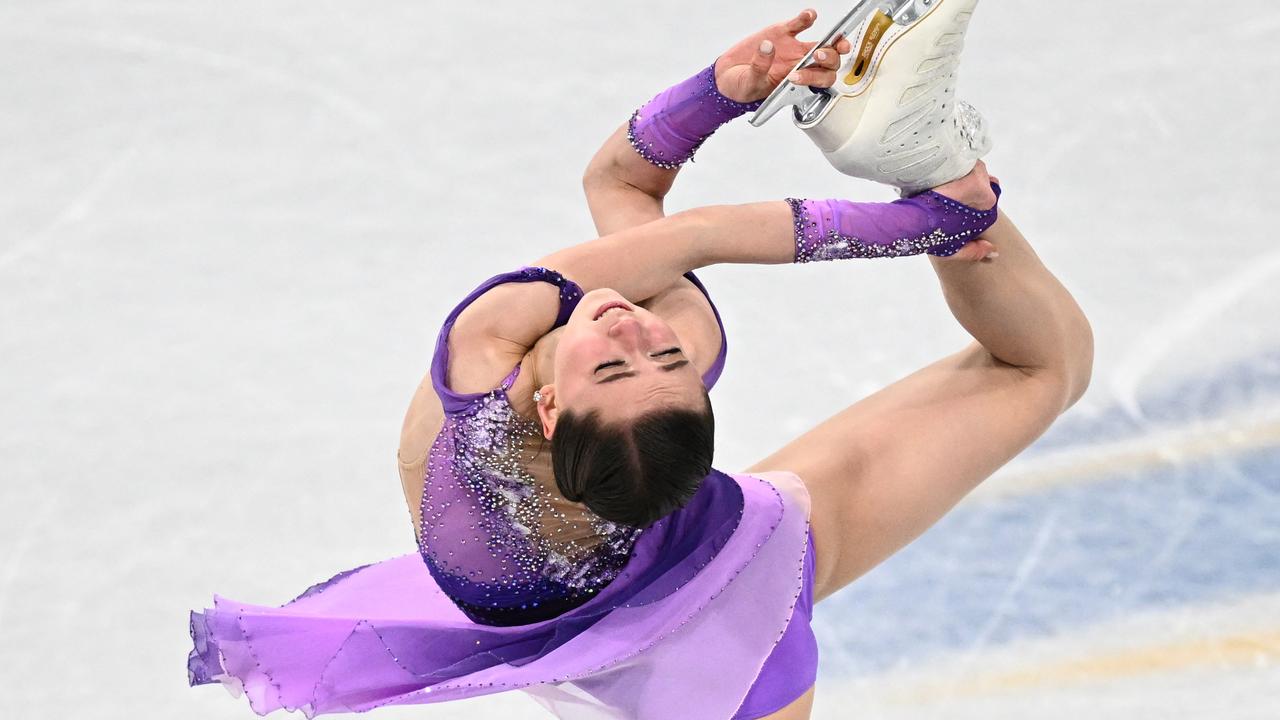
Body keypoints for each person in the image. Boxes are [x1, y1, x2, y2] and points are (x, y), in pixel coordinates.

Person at [188, 2, 1092, 718]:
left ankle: (924, 150)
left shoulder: (497, 347)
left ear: (544, 409)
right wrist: (928, 219)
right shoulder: (650, 343)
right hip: (711, 648)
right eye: (653, 358)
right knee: (1041, 370)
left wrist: (724, 89)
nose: (630, 328)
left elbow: (622, 185)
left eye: (625, 362)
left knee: (1048, 367)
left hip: (667, 549)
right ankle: (926, 154)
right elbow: (690, 228)